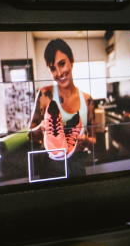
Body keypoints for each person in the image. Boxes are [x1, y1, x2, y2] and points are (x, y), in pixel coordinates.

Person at [28, 38, 95, 178]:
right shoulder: (45, 95)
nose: (59, 73)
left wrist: (86, 140)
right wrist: (40, 130)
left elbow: (94, 140)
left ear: (72, 60)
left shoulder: (88, 100)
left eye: (62, 64)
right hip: (51, 166)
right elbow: (30, 135)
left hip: (77, 164)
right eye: (53, 68)